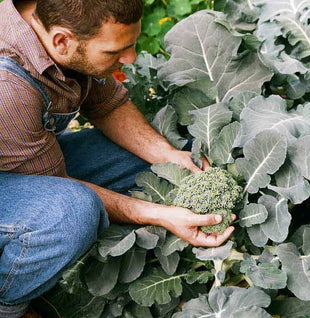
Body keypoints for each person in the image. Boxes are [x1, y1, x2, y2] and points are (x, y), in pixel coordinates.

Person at [0, 0, 235, 316]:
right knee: (73, 212)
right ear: (61, 41)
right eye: (114, 52)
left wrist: (167, 156)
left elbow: (107, 105)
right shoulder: (8, 83)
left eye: (132, 44)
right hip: (19, 179)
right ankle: (8, 303)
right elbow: (53, 186)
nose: (131, 58)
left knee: (153, 164)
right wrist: (159, 214)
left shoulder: (62, 27)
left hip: (25, 163)